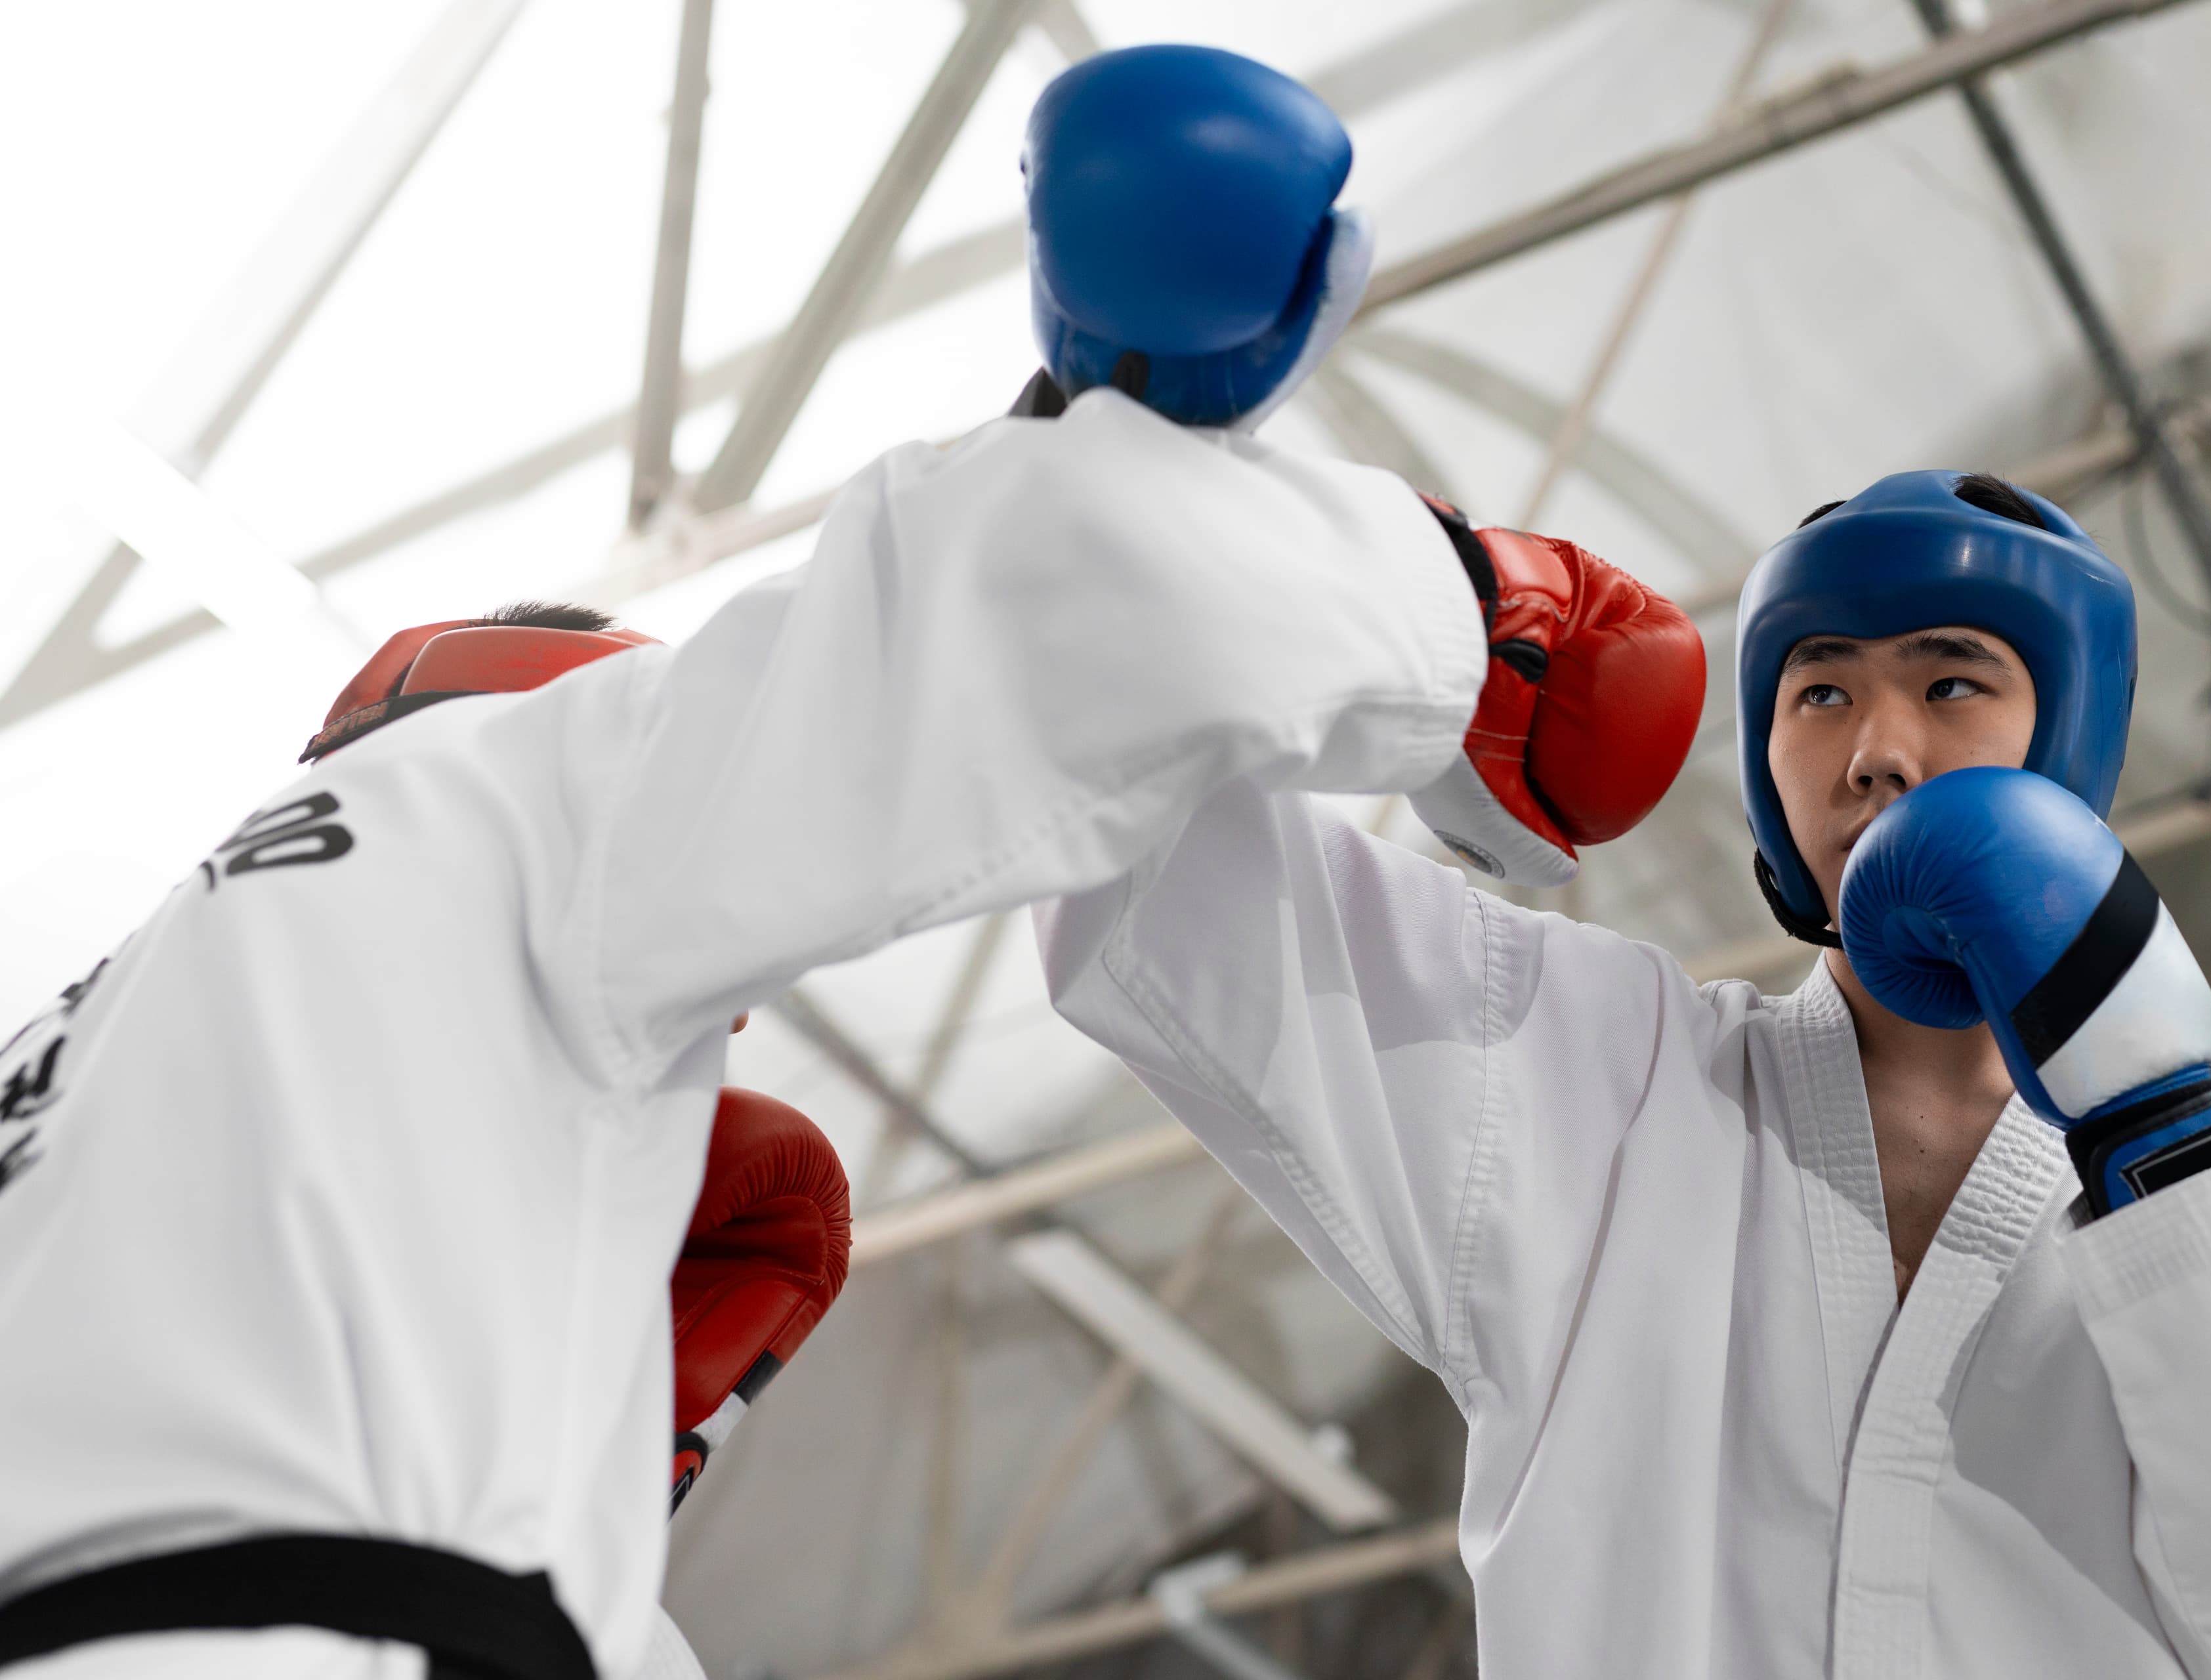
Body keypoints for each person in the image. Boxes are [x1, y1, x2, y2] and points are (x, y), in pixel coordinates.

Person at [0, 41, 1641, 1680]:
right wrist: (1480, 624)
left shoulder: (93, 1064)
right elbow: (1017, 599)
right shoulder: (498, 782)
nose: (708, 1034)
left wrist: (560, 1464)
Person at [1040, 468, 2211, 1675]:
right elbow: (1143, 859)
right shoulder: (1583, 1079)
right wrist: (1415, 614)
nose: (1876, 749)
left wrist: (2165, 1139)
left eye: (1952, 683)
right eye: (1820, 693)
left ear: (2066, 744)